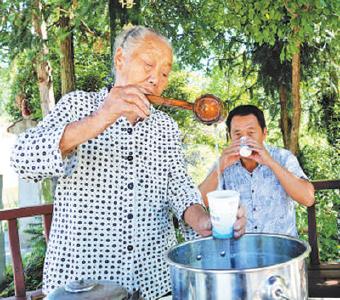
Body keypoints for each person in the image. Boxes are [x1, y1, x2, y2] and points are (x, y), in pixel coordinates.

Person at [10, 26, 246, 299]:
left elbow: (179, 188)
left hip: (155, 282)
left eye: (165, 72)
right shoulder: (77, 106)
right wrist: (102, 117)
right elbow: (24, 159)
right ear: (120, 59)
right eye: (148, 64)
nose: (156, 78)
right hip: (83, 286)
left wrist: (204, 220)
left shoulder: (165, 127)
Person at [199, 104, 314, 237]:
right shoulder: (224, 161)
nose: (244, 139)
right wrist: (220, 167)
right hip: (241, 250)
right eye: (237, 134)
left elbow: (308, 198)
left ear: (264, 133)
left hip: (282, 250)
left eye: (251, 133)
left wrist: (270, 162)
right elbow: (199, 202)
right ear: (230, 136)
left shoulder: (283, 157)